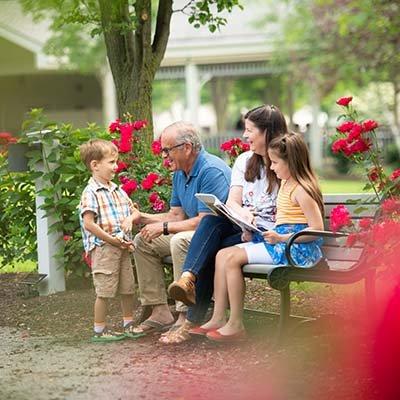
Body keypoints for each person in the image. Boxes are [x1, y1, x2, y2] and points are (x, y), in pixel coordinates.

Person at [164, 105, 288, 344]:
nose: (245, 135)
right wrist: (243, 215)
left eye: (250, 130)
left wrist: (261, 225)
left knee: (212, 246)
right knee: (213, 219)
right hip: (245, 231)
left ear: (267, 132)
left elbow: (292, 207)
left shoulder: (284, 163)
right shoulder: (244, 161)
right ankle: (190, 283)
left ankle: (194, 314)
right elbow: (233, 201)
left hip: (271, 235)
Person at [202, 132, 324, 342]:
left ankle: (236, 324)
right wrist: (251, 227)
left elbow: (317, 229)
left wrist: (282, 238)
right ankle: (218, 317)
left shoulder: (302, 190)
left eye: (275, 162)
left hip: (297, 250)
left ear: (291, 162)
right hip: (282, 242)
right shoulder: (286, 184)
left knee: (231, 259)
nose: (272, 167)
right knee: (222, 255)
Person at [123, 121, 231, 340]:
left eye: (167, 150)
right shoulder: (180, 173)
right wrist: (142, 217)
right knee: (143, 241)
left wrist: (163, 228)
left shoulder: (211, 171)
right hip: (193, 232)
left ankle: (185, 317)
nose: (163, 156)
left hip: (217, 237)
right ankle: (160, 311)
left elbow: (204, 222)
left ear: (187, 148)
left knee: (178, 240)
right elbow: (176, 215)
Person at [79, 139, 142, 342]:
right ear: (95, 165)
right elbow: (89, 224)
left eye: (116, 162)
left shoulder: (118, 190)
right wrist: (111, 240)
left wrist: (130, 220)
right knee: (104, 291)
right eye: (111, 162)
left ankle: (128, 324)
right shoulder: (90, 193)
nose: (116, 167)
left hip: (122, 246)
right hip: (104, 248)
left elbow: (134, 211)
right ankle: (99, 330)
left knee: (127, 287)